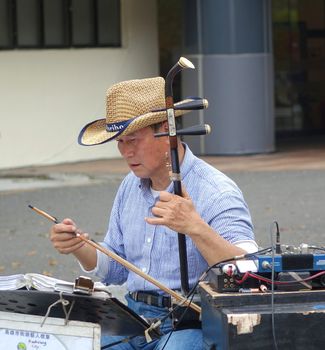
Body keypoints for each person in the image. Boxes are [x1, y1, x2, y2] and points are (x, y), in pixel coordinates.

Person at [50, 76, 257, 349]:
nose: (126, 152)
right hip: (132, 318)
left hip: (191, 322)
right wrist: (79, 246)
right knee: (76, 344)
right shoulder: (129, 186)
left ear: (166, 131)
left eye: (133, 140)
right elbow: (117, 268)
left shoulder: (216, 190)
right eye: (120, 141)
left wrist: (195, 227)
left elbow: (248, 273)